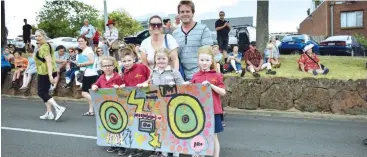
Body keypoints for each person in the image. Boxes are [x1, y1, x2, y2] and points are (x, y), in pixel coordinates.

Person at [190, 45, 226, 157]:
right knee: (198, 134)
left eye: (207, 60)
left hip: (214, 111)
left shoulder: (217, 75)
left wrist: (211, 86)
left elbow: (223, 92)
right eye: (201, 60)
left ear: (211, 61)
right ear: (198, 61)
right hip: (199, 111)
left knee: (213, 135)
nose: (204, 63)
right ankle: (198, 153)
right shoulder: (195, 76)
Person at [149, 48, 184, 157]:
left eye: (163, 58)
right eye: (158, 59)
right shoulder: (153, 73)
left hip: (172, 106)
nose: (161, 61)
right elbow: (150, 87)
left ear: (168, 59)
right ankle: (164, 151)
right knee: (161, 129)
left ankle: (175, 152)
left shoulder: (174, 72)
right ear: (155, 60)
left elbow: (182, 86)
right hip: (159, 106)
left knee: (173, 128)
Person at [173, 0, 213, 81]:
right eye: (182, 12)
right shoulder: (175, 33)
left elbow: (208, 53)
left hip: (201, 75)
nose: (185, 14)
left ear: (193, 13)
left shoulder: (203, 29)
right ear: (179, 14)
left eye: (187, 11)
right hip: (182, 77)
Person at [34, 29, 65, 121]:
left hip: (45, 72)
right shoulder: (47, 45)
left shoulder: (44, 47)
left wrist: (50, 76)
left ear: (44, 36)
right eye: (36, 36)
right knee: (45, 93)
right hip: (47, 71)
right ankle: (49, 113)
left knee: (41, 92)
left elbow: (48, 61)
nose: (37, 38)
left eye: (39, 36)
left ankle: (58, 108)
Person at [76, 36, 99, 116]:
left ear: (86, 41)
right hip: (88, 73)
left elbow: (91, 61)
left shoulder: (88, 50)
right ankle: (91, 111)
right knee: (90, 92)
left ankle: (97, 102)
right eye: (79, 41)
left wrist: (80, 64)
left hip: (90, 74)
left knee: (84, 93)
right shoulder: (85, 50)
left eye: (81, 41)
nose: (80, 43)